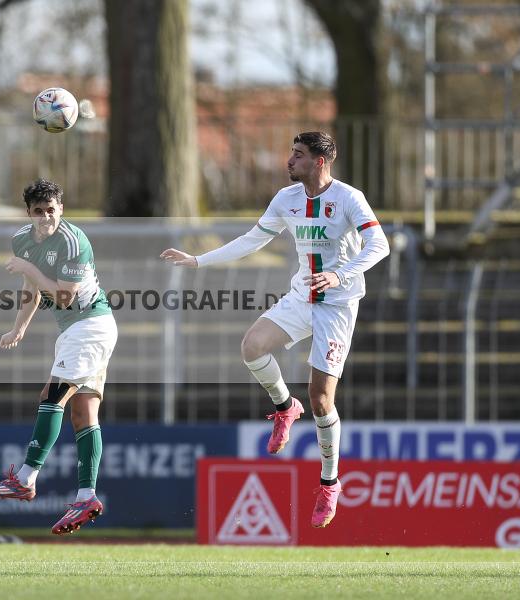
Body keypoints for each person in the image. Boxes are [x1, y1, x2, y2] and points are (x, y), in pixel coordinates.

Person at [161, 132, 389, 529]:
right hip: (302, 297)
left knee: (321, 400)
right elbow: (252, 241)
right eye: (291, 153)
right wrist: (199, 260)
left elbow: (379, 245)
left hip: (337, 304)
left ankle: (330, 482)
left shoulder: (349, 198)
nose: (289, 161)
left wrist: (339, 274)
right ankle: (285, 406)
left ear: (319, 162)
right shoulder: (286, 199)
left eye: (298, 156)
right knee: (252, 346)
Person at [0, 178, 117, 535]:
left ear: (62, 210)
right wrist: (19, 327)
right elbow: (33, 290)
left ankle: (25, 478)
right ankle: (87, 496)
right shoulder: (22, 239)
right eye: (38, 211)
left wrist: (29, 270)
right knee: (82, 413)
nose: (45, 218)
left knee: (51, 396)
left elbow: (66, 296)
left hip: (90, 326)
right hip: (75, 331)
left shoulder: (73, 241)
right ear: (29, 212)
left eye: (51, 211)